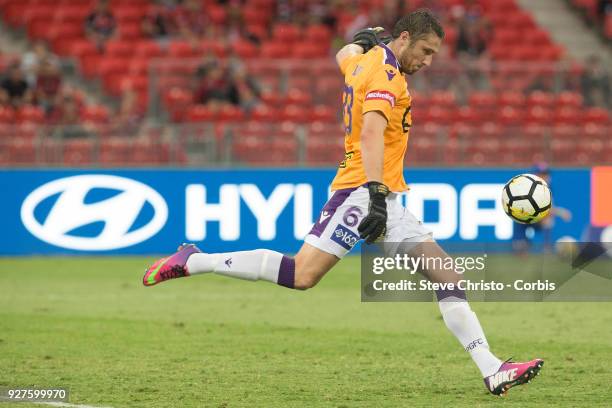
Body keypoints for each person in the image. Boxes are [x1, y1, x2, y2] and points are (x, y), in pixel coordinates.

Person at [142, 10, 543, 396]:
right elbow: (371, 134)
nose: (428, 61)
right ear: (403, 39)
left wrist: (360, 42)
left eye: (433, 54)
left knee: (447, 275)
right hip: (362, 191)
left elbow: (344, 54)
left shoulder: (365, 60)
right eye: (425, 51)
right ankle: (196, 260)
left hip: (380, 192)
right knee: (302, 274)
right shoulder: (388, 77)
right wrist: (377, 195)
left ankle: (492, 367)